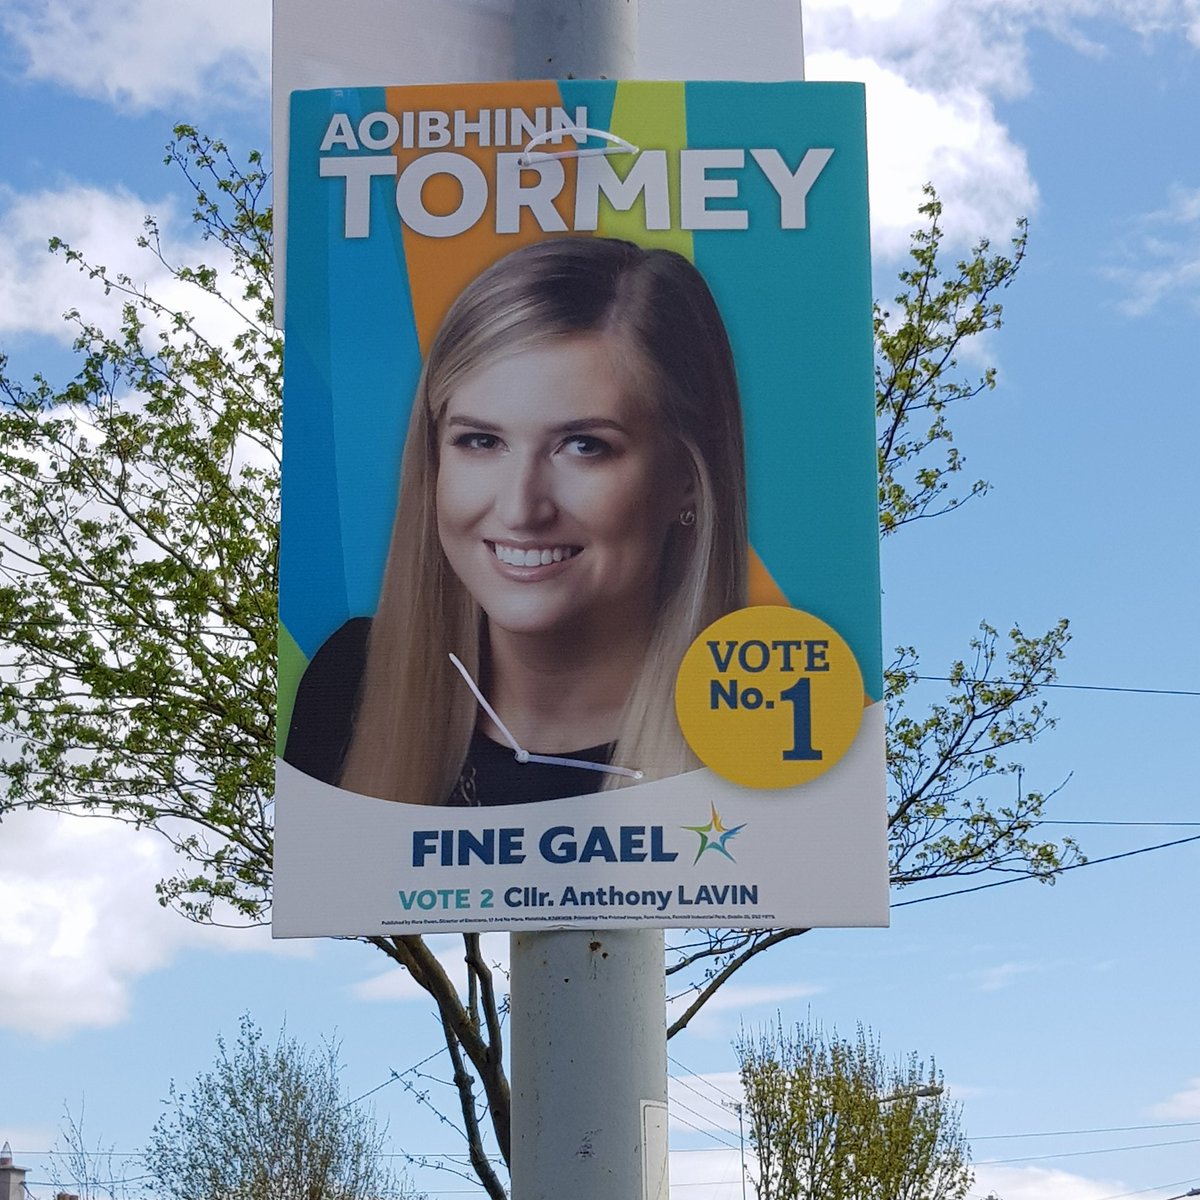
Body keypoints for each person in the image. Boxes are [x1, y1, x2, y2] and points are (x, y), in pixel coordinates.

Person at [285, 236, 747, 805]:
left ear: (688, 477)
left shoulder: (769, 726)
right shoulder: (349, 682)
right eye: (481, 441)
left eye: (583, 446)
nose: (521, 509)